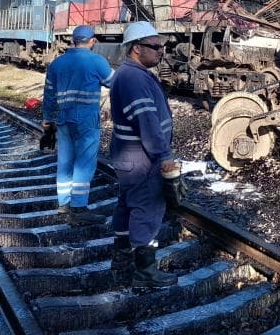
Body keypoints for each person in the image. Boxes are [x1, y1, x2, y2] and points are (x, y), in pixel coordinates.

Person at [109, 21, 185, 288]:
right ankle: (145, 271)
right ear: (136, 49)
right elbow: (147, 121)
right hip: (142, 158)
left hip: (128, 156)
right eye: (154, 47)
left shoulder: (131, 74)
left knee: (127, 204)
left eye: (161, 46)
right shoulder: (134, 78)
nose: (160, 51)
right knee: (148, 209)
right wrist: (164, 156)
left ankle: (121, 258)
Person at [42, 25, 114, 225]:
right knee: (84, 163)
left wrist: (47, 119)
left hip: (63, 119)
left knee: (65, 162)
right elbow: (114, 82)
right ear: (92, 40)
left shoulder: (57, 64)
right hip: (86, 119)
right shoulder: (97, 61)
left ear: (73, 41)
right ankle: (79, 209)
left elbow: (48, 95)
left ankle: (63, 204)